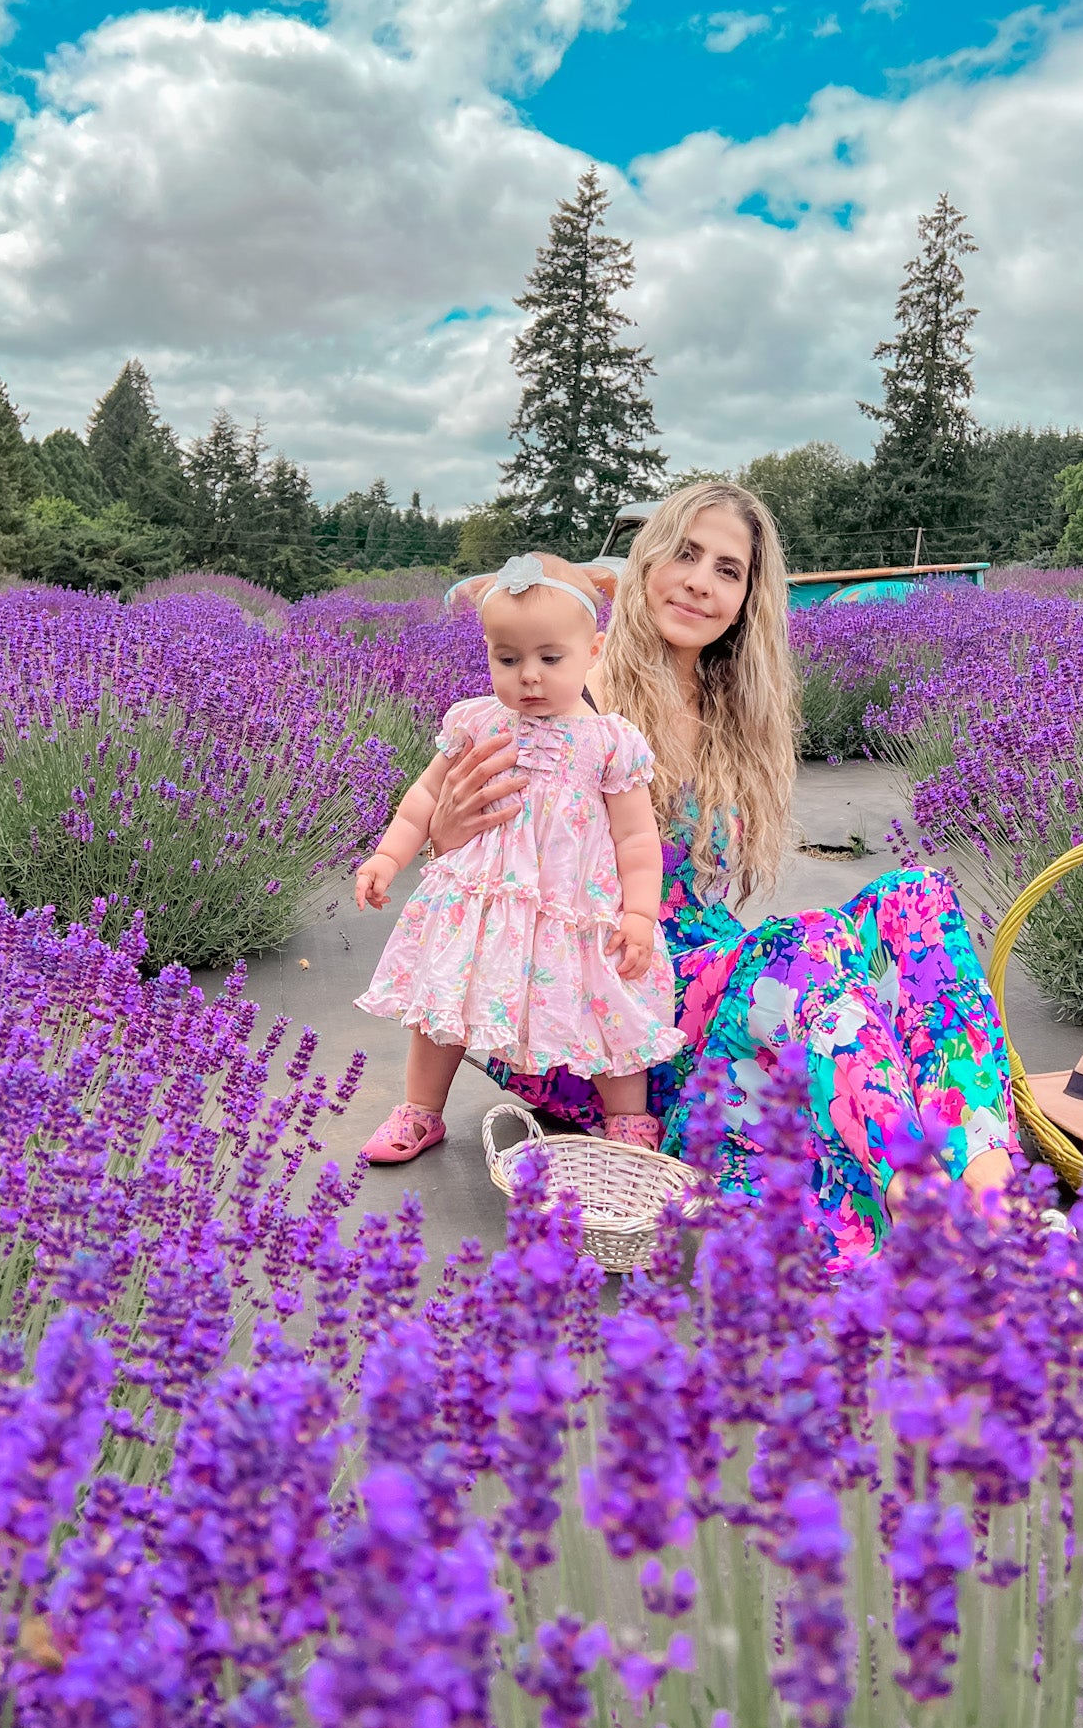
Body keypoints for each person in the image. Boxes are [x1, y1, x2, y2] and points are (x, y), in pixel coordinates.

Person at [423, 481, 1018, 1265]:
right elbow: (460, 845)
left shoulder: (734, 704)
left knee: (917, 896)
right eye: (685, 553)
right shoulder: (574, 685)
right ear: (644, 563)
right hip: (606, 1005)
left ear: (748, 598)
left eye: (728, 569)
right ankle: (922, 1204)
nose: (702, 580)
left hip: (708, 966)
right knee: (796, 949)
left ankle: (990, 1180)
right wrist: (447, 828)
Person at [352, 551, 685, 1164]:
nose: (528, 676)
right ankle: (420, 1110)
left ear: (593, 651)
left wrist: (639, 914)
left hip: (578, 910)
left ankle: (627, 1119)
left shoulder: (609, 740)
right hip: (482, 902)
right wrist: (385, 858)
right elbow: (425, 797)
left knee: (609, 1004)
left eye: (549, 658)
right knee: (444, 1005)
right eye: (508, 659)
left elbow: (636, 839)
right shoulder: (477, 721)